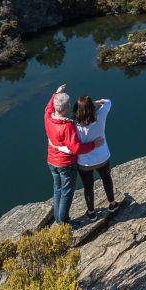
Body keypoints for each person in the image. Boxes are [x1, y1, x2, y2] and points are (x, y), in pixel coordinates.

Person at [44, 84, 103, 224]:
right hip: (65, 164)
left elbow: (49, 107)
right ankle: (63, 222)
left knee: (57, 189)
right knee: (66, 193)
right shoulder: (67, 126)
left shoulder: (48, 116)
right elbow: (76, 148)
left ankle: (58, 218)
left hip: (51, 161)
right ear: (66, 108)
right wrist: (94, 144)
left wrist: (55, 94)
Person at [73, 95, 119, 219]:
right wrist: (95, 103)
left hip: (84, 162)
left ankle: (91, 213)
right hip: (102, 158)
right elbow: (108, 101)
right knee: (106, 178)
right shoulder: (100, 116)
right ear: (91, 107)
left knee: (88, 186)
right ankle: (112, 204)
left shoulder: (74, 125)